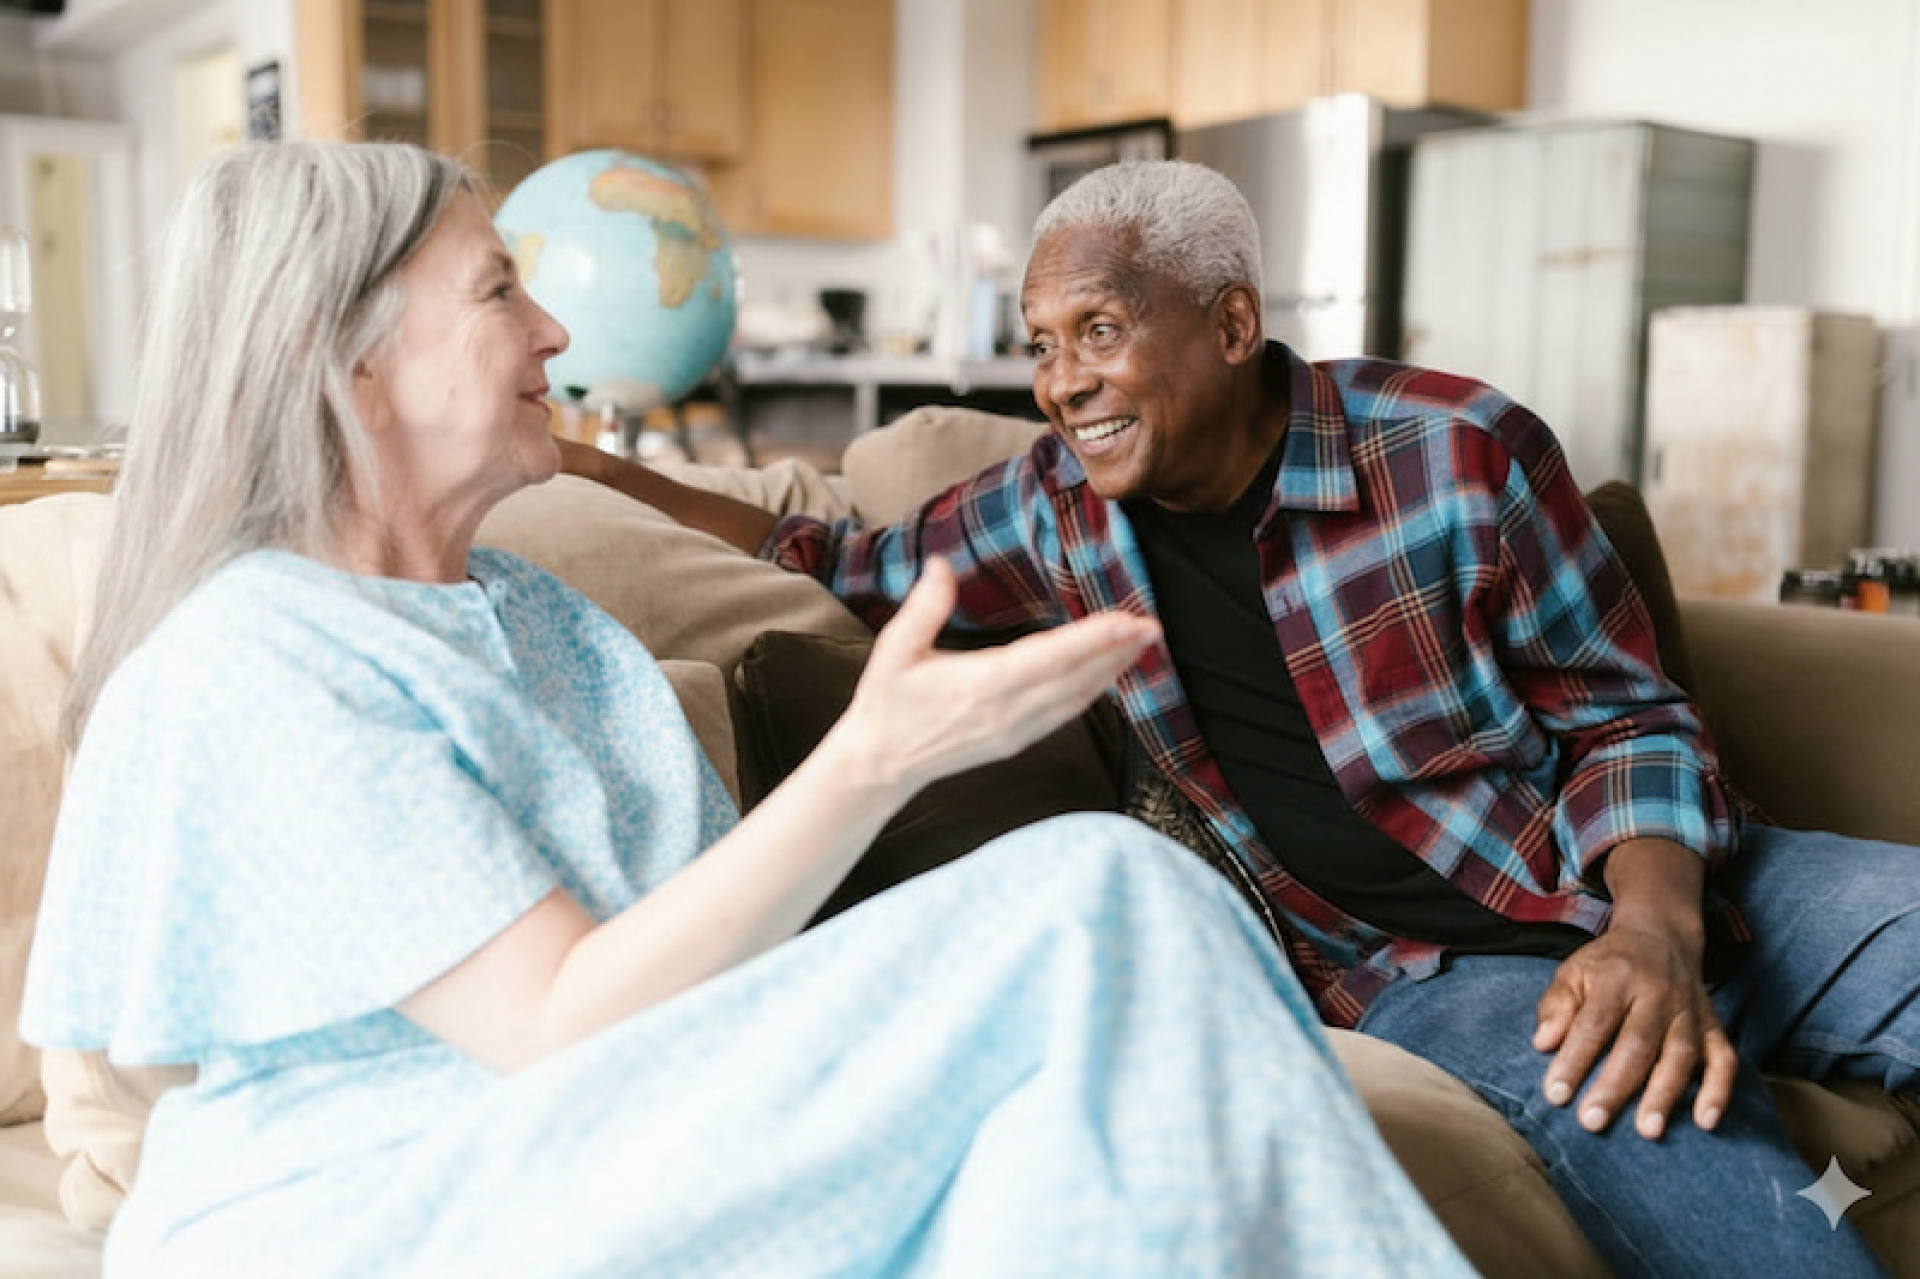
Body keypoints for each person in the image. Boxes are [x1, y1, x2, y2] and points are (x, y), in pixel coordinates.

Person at [19, 140, 1478, 1279]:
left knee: (1112, 1034)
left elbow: (730, 987)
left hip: (631, 1134)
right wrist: (878, 757)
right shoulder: (260, 656)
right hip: (377, 1202)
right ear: (341, 363)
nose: (552, 329)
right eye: (497, 290)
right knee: (1104, 892)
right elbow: (553, 1021)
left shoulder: (548, 628)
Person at [560, 159, 1920, 1279]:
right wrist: (580, 460)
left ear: (1228, 324)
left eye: (1098, 331)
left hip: (1672, 879)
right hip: (1436, 977)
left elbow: (1628, 717)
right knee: (1720, 1184)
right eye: (1043, 346)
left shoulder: (1457, 452)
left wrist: (1652, 926)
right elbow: (826, 553)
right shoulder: (1053, 509)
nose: (1061, 382)